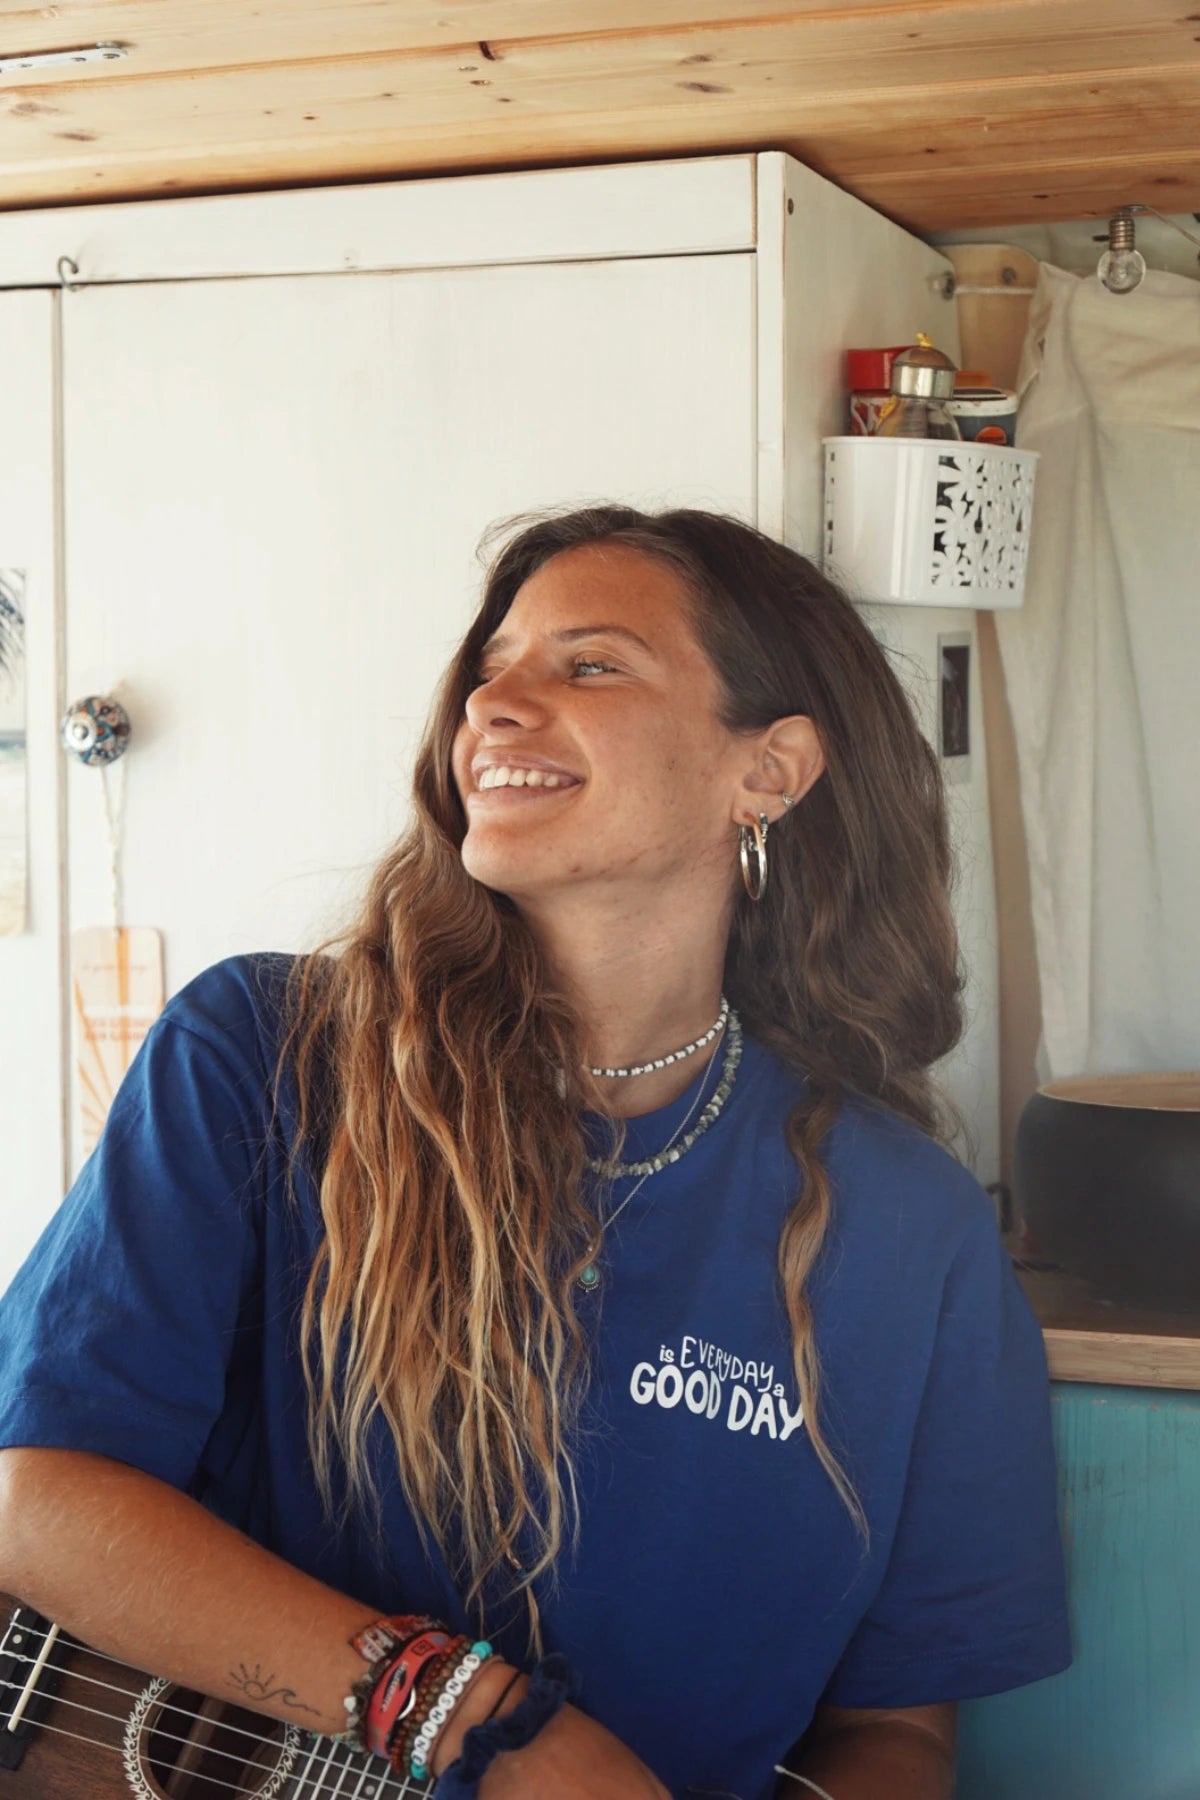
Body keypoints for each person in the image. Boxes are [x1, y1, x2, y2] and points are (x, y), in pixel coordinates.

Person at [0, 505, 1072, 1800]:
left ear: (771, 769)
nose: (492, 705)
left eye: (591, 663)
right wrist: (472, 1720)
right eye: (491, 668)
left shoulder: (912, 1229)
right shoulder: (264, 1058)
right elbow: (40, 1499)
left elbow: (898, 1732)